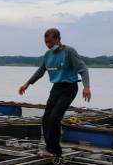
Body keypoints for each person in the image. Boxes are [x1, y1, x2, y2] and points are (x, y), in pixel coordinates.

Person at [18, 28, 91, 157]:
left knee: (55, 117)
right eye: (46, 42)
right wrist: (27, 84)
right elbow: (41, 71)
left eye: (51, 42)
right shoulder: (48, 55)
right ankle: (49, 148)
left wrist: (86, 87)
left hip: (69, 88)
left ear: (58, 39)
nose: (48, 45)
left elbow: (83, 68)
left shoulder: (69, 51)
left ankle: (55, 151)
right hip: (56, 88)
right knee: (46, 118)